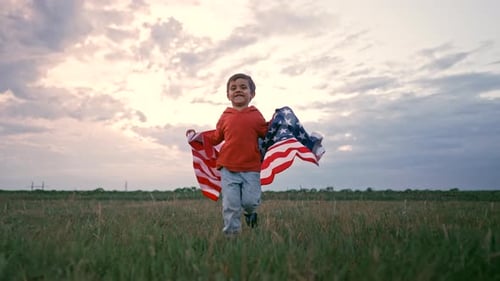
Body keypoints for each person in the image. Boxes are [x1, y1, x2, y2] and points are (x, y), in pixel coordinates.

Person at [186, 73, 268, 236]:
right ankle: (232, 237)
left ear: (252, 94)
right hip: (228, 168)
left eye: (243, 87)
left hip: (251, 168)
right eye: (233, 88)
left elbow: (267, 133)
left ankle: (250, 214)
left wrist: (280, 126)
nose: (238, 90)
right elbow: (216, 138)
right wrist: (198, 137)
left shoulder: (256, 115)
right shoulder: (225, 116)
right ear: (228, 95)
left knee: (250, 202)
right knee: (231, 205)